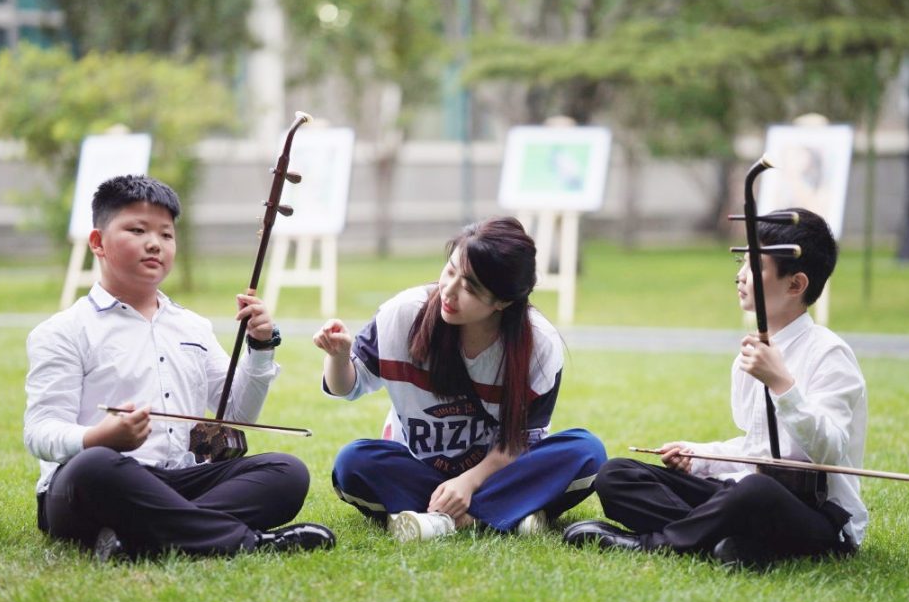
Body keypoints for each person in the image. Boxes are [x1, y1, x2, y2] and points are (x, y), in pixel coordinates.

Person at [24, 175, 334, 561]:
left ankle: (138, 541)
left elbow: (237, 414)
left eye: (166, 235)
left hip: (176, 481)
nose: (154, 243)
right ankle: (247, 543)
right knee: (95, 466)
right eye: (137, 230)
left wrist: (259, 346)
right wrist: (98, 437)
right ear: (98, 243)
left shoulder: (192, 327)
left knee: (286, 471)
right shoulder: (62, 331)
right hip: (93, 485)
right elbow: (40, 431)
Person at [563, 208, 867, 568]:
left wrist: (782, 384)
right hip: (745, 495)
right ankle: (732, 544)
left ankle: (651, 544)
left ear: (795, 284)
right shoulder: (751, 353)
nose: (739, 276)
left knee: (755, 492)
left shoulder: (829, 354)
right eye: (742, 262)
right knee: (616, 475)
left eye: (755, 267)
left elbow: (830, 451)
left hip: (818, 517)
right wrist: (700, 457)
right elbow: (758, 449)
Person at [313, 217, 606, 541]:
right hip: (418, 469)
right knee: (353, 464)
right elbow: (347, 388)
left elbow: (522, 439)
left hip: (498, 472)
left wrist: (468, 483)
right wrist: (338, 355)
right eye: (450, 271)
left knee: (587, 452)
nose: (449, 291)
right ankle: (512, 512)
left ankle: (439, 520)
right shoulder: (402, 314)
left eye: (470, 287)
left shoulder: (539, 344)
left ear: (503, 301)